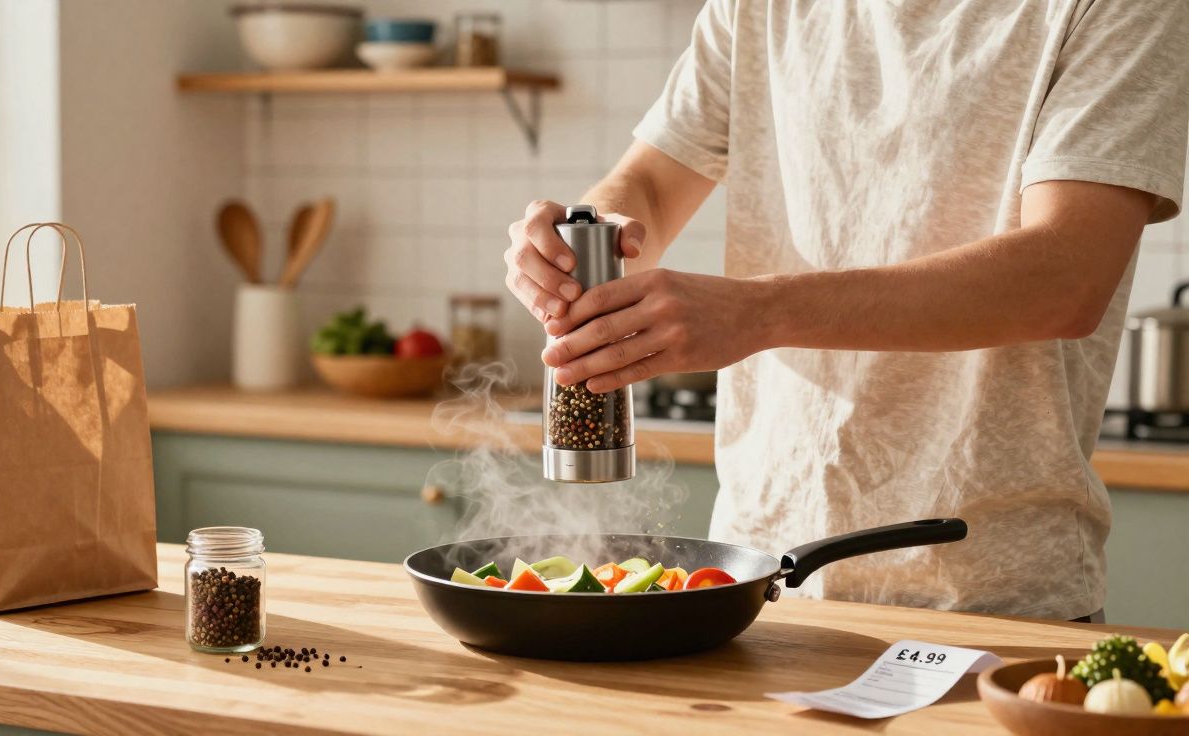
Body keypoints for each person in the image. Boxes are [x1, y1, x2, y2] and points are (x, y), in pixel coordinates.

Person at [503, 1, 1189, 621]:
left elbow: (1065, 277)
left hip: (988, 600)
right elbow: (650, 182)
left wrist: (758, 311)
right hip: (762, 581)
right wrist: (588, 241)